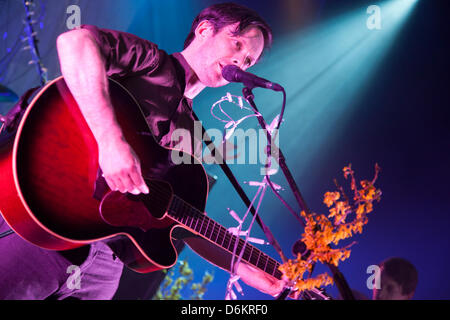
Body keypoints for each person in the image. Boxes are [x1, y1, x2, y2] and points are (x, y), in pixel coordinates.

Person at [0, 2, 288, 299]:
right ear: (204, 30)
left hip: (105, 265)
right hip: (51, 217)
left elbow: (184, 223)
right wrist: (111, 141)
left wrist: (246, 269)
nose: (241, 60)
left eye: (249, 60)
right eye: (237, 44)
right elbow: (74, 41)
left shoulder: (194, 137)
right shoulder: (151, 63)